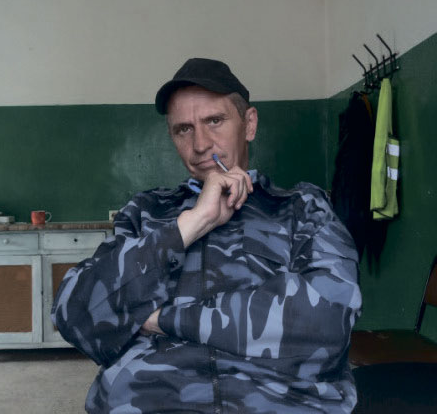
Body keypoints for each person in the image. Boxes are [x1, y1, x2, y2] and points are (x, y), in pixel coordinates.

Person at [52, 58, 362, 413]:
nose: (200, 144)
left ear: (249, 124)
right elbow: (75, 314)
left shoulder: (301, 208)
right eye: (183, 129)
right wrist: (193, 223)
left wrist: (158, 319)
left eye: (214, 121)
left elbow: (327, 322)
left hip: (278, 401)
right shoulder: (146, 212)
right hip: (150, 400)